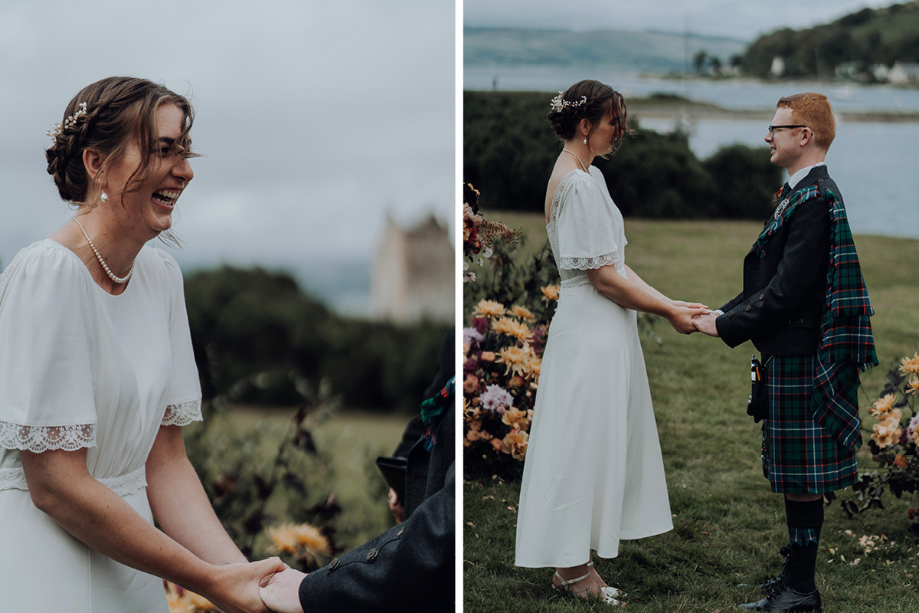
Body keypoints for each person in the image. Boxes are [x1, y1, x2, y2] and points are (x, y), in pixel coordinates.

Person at [0, 77, 285, 613]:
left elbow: (165, 464)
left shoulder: (159, 276)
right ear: (97, 163)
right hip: (46, 573)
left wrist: (249, 580)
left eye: (184, 149)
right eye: (162, 149)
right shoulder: (47, 274)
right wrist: (204, 578)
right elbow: (56, 485)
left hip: (133, 573)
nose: (185, 169)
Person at [513, 80, 707, 605]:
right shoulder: (575, 185)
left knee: (594, 440)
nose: (618, 131)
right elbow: (601, 277)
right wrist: (666, 310)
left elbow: (615, 263)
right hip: (590, 328)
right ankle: (573, 569)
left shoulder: (588, 176)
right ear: (584, 125)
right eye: (611, 121)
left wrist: (673, 302)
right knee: (581, 444)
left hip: (604, 326)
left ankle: (576, 560)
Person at [693, 92, 877, 612]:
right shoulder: (800, 194)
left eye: (776, 128)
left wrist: (723, 326)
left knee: (803, 478)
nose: (767, 136)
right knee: (798, 477)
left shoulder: (815, 199)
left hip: (804, 355)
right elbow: (769, 284)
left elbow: (786, 293)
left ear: (805, 136)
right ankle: (796, 581)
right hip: (789, 351)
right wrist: (716, 313)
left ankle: (801, 590)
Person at [258, 332, 455, 612]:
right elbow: (430, 414)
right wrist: (403, 479)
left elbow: (444, 525)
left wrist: (313, 590)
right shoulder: (455, 340)